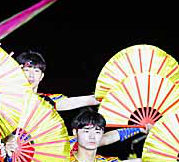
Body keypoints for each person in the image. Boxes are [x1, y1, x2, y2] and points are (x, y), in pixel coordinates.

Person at [15, 50, 145, 148]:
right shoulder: (7, 100)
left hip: (45, 151)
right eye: (27, 69)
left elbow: (91, 100)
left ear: (42, 76)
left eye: (36, 71)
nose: (31, 75)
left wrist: (125, 90)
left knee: (88, 141)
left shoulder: (47, 101)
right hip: (16, 150)